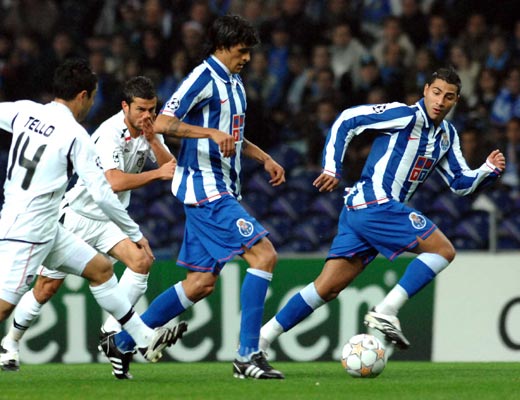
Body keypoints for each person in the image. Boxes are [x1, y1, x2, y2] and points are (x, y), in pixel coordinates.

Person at [259, 67, 506, 357]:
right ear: (425, 90)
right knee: (443, 251)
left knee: (326, 288)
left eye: (448, 97)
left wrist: (487, 170)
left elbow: (460, 183)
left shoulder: (447, 136)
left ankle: (259, 340)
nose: (440, 101)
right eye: (436, 93)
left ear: (456, 101)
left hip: (365, 212)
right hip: (375, 203)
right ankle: (386, 310)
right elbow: (348, 119)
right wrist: (332, 167)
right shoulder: (405, 115)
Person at [105, 15, 286, 380]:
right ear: (222, 46)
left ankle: (122, 342)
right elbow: (162, 122)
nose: (247, 58)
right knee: (264, 255)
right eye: (242, 51)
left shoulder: (234, 82)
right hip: (206, 190)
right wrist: (208, 134)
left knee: (200, 282)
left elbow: (231, 137)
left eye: (249, 51)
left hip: (220, 187)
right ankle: (247, 355)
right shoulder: (202, 77)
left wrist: (263, 157)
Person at [0, 59, 180, 374]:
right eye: (93, 97)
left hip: (46, 224)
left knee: (101, 270)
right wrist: (135, 233)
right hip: (33, 228)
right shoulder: (76, 134)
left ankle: (140, 338)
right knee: (8, 304)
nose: (93, 104)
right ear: (83, 95)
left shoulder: (24, 111)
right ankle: (9, 343)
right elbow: (105, 191)